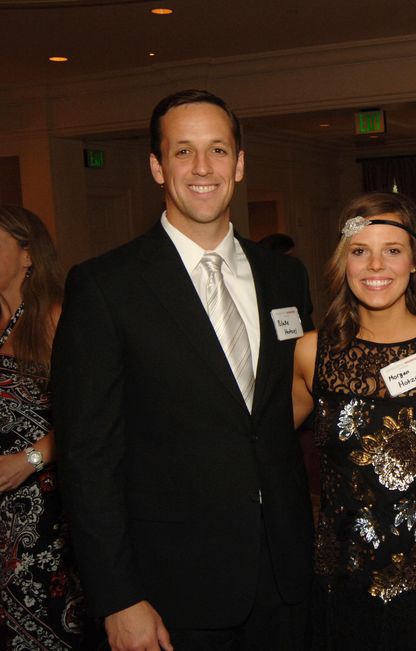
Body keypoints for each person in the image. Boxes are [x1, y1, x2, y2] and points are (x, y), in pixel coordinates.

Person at [51, 89, 314, 651]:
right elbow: (87, 457)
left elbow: (284, 404)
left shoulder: (284, 277)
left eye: (218, 150)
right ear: (157, 166)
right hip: (171, 585)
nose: (202, 168)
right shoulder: (106, 286)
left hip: (285, 573)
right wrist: (118, 597)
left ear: (239, 164)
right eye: (182, 151)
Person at [292, 192, 416, 650]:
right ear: (343, 261)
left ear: (414, 262)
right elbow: (263, 442)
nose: (375, 265)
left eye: (392, 250)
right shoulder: (312, 352)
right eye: (360, 251)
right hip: (340, 571)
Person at [0, 205, 85, 649]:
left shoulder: (56, 318)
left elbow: (87, 414)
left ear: (28, 254)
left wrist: (29, 459)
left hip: (44, 506)